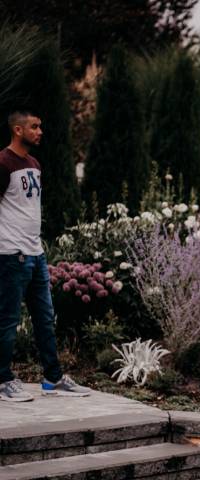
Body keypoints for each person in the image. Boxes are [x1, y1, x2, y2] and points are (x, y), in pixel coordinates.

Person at [0, 110, 90, 402]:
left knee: (45, 317)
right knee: (8, 319)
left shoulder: (34, 164)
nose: (40, 131)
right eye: (34, 127)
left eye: (40, 126)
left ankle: (53, 378)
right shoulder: (3, 163)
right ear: (17, 130)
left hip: (36, 254)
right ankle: (3, 380)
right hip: (12, 255)